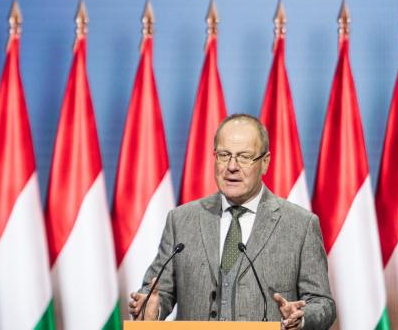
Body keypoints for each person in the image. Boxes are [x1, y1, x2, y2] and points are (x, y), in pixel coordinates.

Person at [128, 114, 336, 329]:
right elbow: (158, 290)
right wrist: (151, 308)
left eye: (244, 157)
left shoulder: (300, 225)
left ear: (265, 162)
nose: (232, 166)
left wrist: (302, 317)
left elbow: (323, 303)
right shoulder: (181, 220)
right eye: (224, 155)